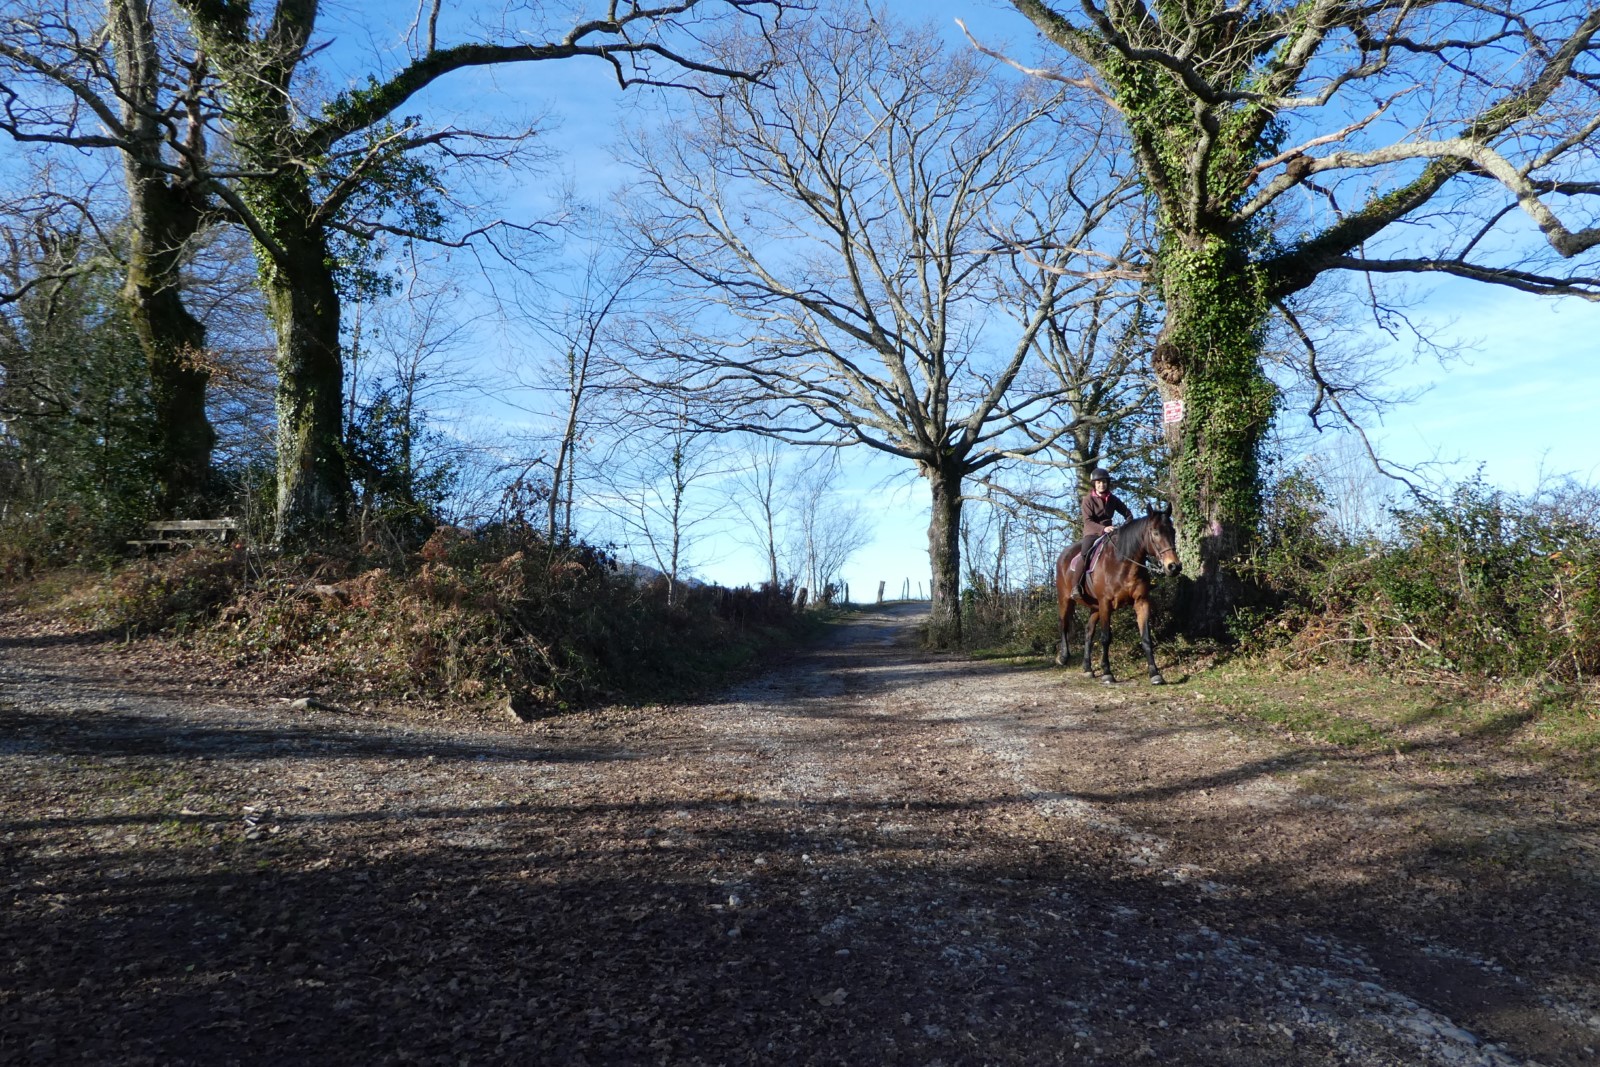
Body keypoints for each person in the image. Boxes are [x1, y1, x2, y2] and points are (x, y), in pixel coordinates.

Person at [1074, 467, 1133, 593]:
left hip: (1111, 531)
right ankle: (1076, 586)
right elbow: (1088, 521)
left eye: (1104, 482)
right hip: (1093, 532)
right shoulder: (1087, 500)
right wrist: (1103, 528)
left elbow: (1128, 514)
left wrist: (1125, 528)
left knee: (1131, 548)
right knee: (1084, 554)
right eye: (1099, 482)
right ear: (1094, 484)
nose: (1102, 485)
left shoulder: (1113, 499)